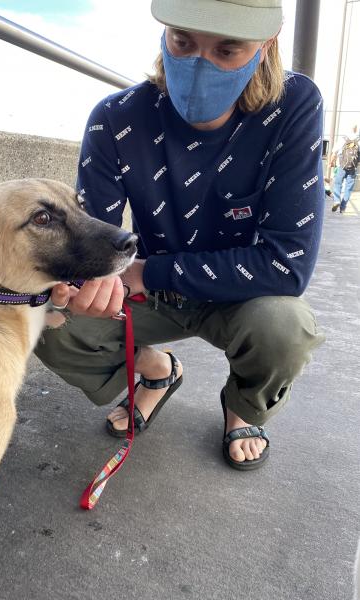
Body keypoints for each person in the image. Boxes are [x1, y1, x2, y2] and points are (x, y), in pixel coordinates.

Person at [36, 0, 325, 471]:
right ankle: (156, 370)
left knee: (285, 329)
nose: (198, 65)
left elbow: (286, 265)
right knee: (50, 324)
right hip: (150, 296)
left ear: (266, 46)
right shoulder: (114, 118)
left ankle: (242, 406)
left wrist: (147, 271)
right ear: (163, 35)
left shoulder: (293, 106)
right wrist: (78, 282)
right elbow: (94, 244)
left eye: (228, 49)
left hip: (241, 294)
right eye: (183, 41)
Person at [329, 125, 359, 213]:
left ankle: (336, 200)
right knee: (348, 188)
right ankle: (343, 207)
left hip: (341, 166)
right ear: (356, 130)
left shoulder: (343, 139)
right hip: (353, 167)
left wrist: (331, 162)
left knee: (337, 184)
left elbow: (334, 152)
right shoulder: (358, 140)